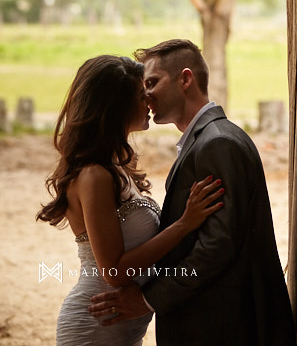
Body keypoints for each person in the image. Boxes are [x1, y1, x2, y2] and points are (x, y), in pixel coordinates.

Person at [89, 38, 296, 346]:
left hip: (223, 326)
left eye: (152, 82)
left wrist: (148, 300)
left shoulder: (217, 143)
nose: (145, 95)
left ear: (185, 79)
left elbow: (217, 248)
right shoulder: (208, 139)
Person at [38, 54, 224, 346]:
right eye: (141, 95)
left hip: (122, 326)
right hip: (96, 323)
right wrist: (185, 224)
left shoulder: (115, 165)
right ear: (116, 106)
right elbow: (115, 271)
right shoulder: (94, 176)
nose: (149, 101)